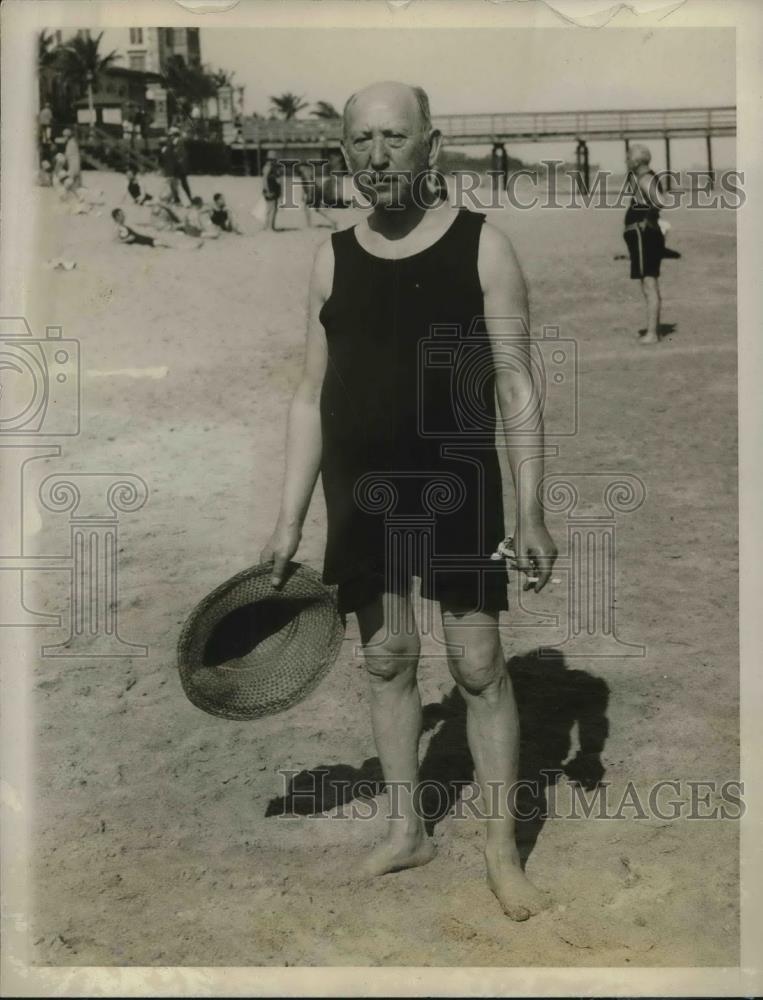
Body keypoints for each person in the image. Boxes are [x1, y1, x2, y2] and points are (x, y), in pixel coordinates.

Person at [260, 81, 557, 921]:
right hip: (363, 490)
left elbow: (516, 385)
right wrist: (288, 519)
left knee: (475, 665)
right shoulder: (330, 255)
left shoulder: (482, 247)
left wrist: (530, 509)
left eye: (394, 137)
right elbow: (309, 393)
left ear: (431, 146)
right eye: (360, 140)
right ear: (344, 152)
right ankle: (407, 830)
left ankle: (501, 854)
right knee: (387, 659)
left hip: (457, 485)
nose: (376, 154)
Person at [623, 143, 668, 344]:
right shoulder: (645, 177)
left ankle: (652, 333)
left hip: (645, 235)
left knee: (649, 284)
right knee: (648, 283)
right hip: (645, 234)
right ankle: (652, 331)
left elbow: (660, 200)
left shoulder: (645, 179)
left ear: (636, 160)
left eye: (628, 157)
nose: (626, 161)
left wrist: (649, 218)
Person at [111, 207, 201, 249]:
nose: (124, 216)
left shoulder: (120, 227)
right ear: (117, 217)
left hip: (145, 240)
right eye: (122, 214)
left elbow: (118, 238)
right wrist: (126, 240)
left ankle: (191, 245)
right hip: (145, 241)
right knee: (169, 244)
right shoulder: (120, 227)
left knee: (167, 243)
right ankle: (191, 246)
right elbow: (122, 239)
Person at [296, 162, 337, 230]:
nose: (300, 168)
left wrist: (309, 194)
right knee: (317, 210)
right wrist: (303, 194)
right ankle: (333, 221)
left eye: (301, 167)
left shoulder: (305, 172)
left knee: (307, 209)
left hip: (313, 192)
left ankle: (309, 225)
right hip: (315, 191)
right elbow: (305, 185)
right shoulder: (307, 172)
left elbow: (309, 184)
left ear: (303, 167)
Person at [170, 126, 193, 205]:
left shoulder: (179, 142)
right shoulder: (176, 142)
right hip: (178, 165)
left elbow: (180, 154)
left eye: (171, 135)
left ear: (174, 135)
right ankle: (179, 198)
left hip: (180, 166)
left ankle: (185, 198)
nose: (170, 137)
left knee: (181, 182)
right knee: (177, 182)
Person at [261, 150, 282, 231]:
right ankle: (269, 227)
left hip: (273, 189)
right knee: (271, 209)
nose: (273, 161)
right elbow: (264, 179)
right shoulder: (268, 167)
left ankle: (268, 226)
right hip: (270, 189)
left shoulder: (272, 167)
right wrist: (267, 190)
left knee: (272, 208)